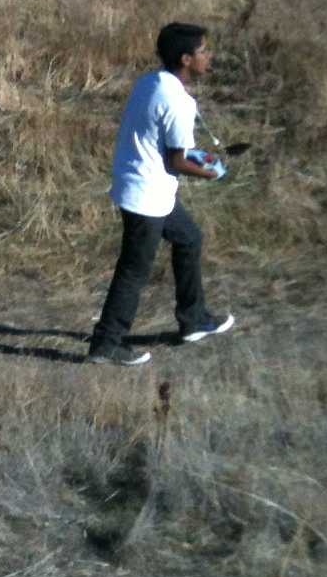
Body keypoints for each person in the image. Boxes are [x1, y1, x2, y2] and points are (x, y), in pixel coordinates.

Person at [86, 22, 237, 365]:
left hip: (140, 185)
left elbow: (165, 144)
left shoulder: (150, 82)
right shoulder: (177, 101)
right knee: (134, 271)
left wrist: (196, 158)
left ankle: (194, 319)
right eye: (203, 51)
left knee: (189, 239)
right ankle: (107, 344)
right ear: (186, 59)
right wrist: (211, 172)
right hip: (147, 197)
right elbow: (178, 161)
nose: (208, 56)